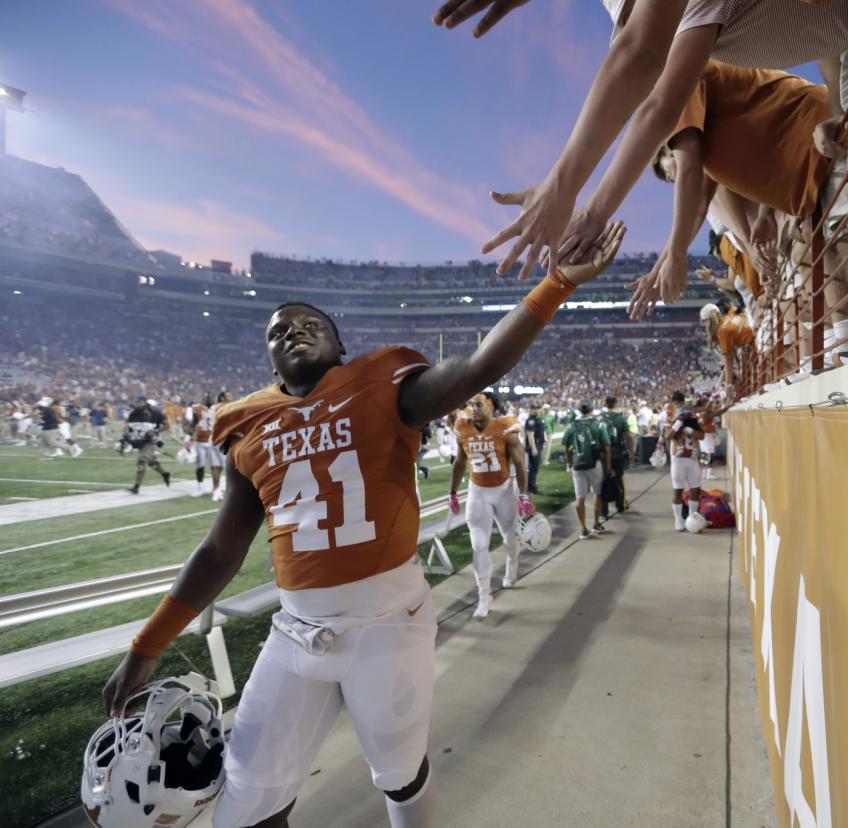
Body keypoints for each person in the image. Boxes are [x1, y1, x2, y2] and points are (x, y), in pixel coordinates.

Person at [100, 220, 626, 828]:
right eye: (277, 331)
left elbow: (479, 366)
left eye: (308, 324)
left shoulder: (384, 385)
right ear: (267, 354)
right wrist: (147, 645)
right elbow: (221, 549)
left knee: (399, 778)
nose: (291, 331)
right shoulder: (247, 424)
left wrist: (557, 283)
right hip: (297, 628)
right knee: (245, 799)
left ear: (339, 343)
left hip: (387, 623)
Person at [449, 391, 533, 620]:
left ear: (492, 407)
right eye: (471, 404)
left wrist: (524, 494)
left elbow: (519, 462)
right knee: (478, 545)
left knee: (510, 538)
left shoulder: (505, 426)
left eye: (479, 404)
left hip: (503, 489)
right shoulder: (463, 427)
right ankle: (484, 597)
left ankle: (512, 565)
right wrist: (453, 492)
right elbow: (459, 461)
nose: (474, 408)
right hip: (477, 491)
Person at [563, 401, 613, 539]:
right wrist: (608, 466)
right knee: (597, 493)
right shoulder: (598, 424)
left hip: (577, 465)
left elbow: (566, 446)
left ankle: (583, 529)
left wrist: (569, 462)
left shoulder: (572, 425)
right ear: (591, 410)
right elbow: (607, 447)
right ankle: (596, 523)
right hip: (594, 463)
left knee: (580, 498)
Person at [664, 391, 704, 532]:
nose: (682, 408)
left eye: (682, 405)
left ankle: (692, 517)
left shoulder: (692, 419)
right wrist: (678, 424)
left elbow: (702, 435)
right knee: (678, 489)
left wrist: (690, 430)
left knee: (695, 488)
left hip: (692, 459)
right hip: (678, 460)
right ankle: (678, 519)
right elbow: (668, 436)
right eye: (679, 405)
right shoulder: (673, 418)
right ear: (674, 404)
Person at [125, 396, 171, 494]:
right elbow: (130, 428)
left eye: (141, 402)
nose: (138, 404)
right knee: (151, 462)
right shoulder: (133, 414)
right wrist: (128, 438)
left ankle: (136, 487)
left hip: (150, 441)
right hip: (139, 441)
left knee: (141, 461)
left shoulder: (156, 414)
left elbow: (167, 426)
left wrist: (155, 431)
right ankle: (165, 474)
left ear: (146, 403)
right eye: (137, 402)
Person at [601, 395, 634, 515]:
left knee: (603, 480)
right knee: (619, 478)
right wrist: (631, 452)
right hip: (616, 452)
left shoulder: (601, 419)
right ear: (616, 403)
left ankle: (603, 509)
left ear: (605, 403)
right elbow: (628, 436)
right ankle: (620, 505)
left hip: (603, 453)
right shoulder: (620, 418)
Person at [190, 393, 226, 501]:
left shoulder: (218, 408)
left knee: (214, 466)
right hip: (200, 441)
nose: (209, 399)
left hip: (212, 441)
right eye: (207, 397)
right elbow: (193, 423)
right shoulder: (198, 408)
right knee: (200, 465)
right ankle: (200, 487)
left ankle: (215, 489)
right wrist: (190, 434)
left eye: (211, 397)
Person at [523, 408, 547, 494]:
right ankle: (531, 488)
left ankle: (531, 487)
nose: (537, 410)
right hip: (534, 445)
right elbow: (530, 435)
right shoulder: (531, 421)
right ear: (531, 410)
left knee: (534, 468)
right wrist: (533, 448)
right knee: (533, 468)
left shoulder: (537, 419)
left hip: (538, 444)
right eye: (535, 409)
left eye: (538, 408)